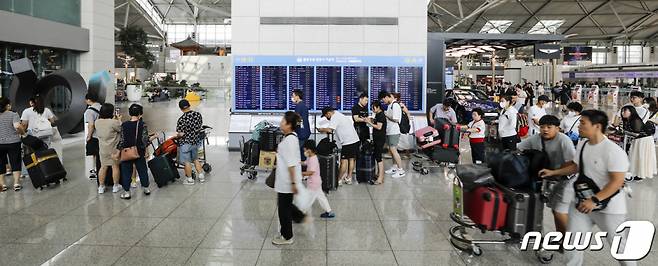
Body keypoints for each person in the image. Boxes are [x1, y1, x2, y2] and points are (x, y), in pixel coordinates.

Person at [539, 110, 634, 266]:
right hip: (582, 204)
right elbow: (575, 167)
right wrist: (554, 172)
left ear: (597, 126)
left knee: (620, 248)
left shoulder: (614, 151)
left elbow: (617, 182)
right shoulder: (583, 144)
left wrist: (595, 200)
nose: (579, 126)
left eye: (583, 123)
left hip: (609, 208)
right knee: (573, 244)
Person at [518, 115, 576, 242]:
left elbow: (572, 164)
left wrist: (555, 172)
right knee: (555, 211)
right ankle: (561, 239)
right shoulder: (536, 138)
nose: (545, 130)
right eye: (542, 127)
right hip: (549, 179)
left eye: (549, 127)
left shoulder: (564, 140)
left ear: (557, 128)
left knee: (559, 211)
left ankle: (567, 242)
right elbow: (519, 148)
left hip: (567, 180)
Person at [272, 111, 309, 245]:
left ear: (289, 125)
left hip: (287, 182)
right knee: (285, 205)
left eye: (283, 121)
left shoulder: (290, 141)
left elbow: (292, 164)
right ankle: (300, 217)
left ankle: (287, 237)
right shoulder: (290, 138)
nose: (281, 122)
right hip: (286, 181)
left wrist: (293, 183)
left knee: (283, 209)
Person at [116, 104, 151, 199]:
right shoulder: (142, 124)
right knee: (142, 170)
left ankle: (127, 192)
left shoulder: (124, 125)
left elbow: (122, 140)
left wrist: (118, 152)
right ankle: (146, 188)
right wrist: (147, 151)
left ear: (130, 113)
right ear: (140, 113)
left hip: (127, 151)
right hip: (139, 151)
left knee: (126, 171)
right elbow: (145, 139)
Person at [318, 107, 360, 185]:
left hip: (348, 142)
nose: (327, 118)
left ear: (328, 113)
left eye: (326, 116)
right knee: (351, 159)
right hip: (355, 140)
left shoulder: (335, 117)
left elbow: (330, 130)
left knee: (343, 161)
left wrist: (321, 129)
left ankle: (339, 180)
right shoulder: (339, 114)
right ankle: (349, 178)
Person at [621, 105, 656, 181]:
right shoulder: (627, 120)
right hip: (637, 140)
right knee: (636, 156)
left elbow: (637, 132)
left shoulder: (635, 120)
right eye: (622, 111)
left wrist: (626, 133)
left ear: (631, 112)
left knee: (641, 156)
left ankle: (640, 174)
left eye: (625, 111)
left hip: (644, 140)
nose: (623, 113)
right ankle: (636, 172)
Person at [301, 140, 335, 218]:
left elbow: (311, 172)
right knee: (321, 197)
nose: (304, 151)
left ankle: (301, 214)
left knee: (308, 200)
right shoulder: (311, 157)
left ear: (309, 150)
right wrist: (299, 162)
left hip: (313, 183)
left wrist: (300, 173)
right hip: (316, 182)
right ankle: (329, 211)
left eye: (305, 149)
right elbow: (306, 163)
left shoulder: (313, 160)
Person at [176, 99, 205, 185]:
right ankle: (201, 176)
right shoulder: (197, 115)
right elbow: (200, 126)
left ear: (181, 108)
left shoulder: (182, 119)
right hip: (195, 142)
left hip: (186, 143)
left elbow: (180, 134)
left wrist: (178, 136)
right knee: (195, 159)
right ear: (189, 105)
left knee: (187, 162)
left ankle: (189, 180)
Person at [94, 103, 122, 194]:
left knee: (103, 167)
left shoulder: (97, 122)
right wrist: (119, 120)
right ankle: (115, 186)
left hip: (102, 149)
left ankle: (101, 187)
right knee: (115, 166)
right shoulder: (113, 122)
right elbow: (121, 129)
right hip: (113, 149)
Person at [379, 91, 406, 178]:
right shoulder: (390, 105)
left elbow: (396, 119)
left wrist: (386, 115)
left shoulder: (395, 105)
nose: (384, 101)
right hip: (389, 131)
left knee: (393, 149)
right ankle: (394, 167)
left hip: (394, 131)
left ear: (387, 97)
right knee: (391, 150)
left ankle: (401, 170)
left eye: (384, 99)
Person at [0, 98, 24, 191]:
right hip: (13, 142)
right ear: (7, 105)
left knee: (0, 163)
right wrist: (23, 133)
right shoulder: (13, 114)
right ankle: (16, 183)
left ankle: (3, 185)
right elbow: (17, 126)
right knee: (15, 161)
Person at [366, 101, 387, 185]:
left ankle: (380, 178)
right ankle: (379, 174)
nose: (372, 109)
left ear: (378, 107)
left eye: (373, 108)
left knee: (378, 157)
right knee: (377, 156)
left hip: (380, 138)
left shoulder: (381, 115)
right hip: (377, 138)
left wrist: (369, 122)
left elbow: (379, 127)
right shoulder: (378, 115)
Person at [84, 93, 102, 179]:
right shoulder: (102, 107)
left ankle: (94, 170)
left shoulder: (89, 111)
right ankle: (100, 169)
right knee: (101, 154)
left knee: (94, 153)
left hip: (95, 135)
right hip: (104, 134)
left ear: (89, 100)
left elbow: (91, 125)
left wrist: (89, 136)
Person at [291, 89, 311, 161]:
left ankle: (301, 170)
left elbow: (297, 120)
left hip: (301, 133)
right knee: (303, 152)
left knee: (298, 153)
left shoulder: (298, 107)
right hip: (305, 132)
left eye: (293, 96)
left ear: (297, 96)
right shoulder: (303, 105)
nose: (292, 98)